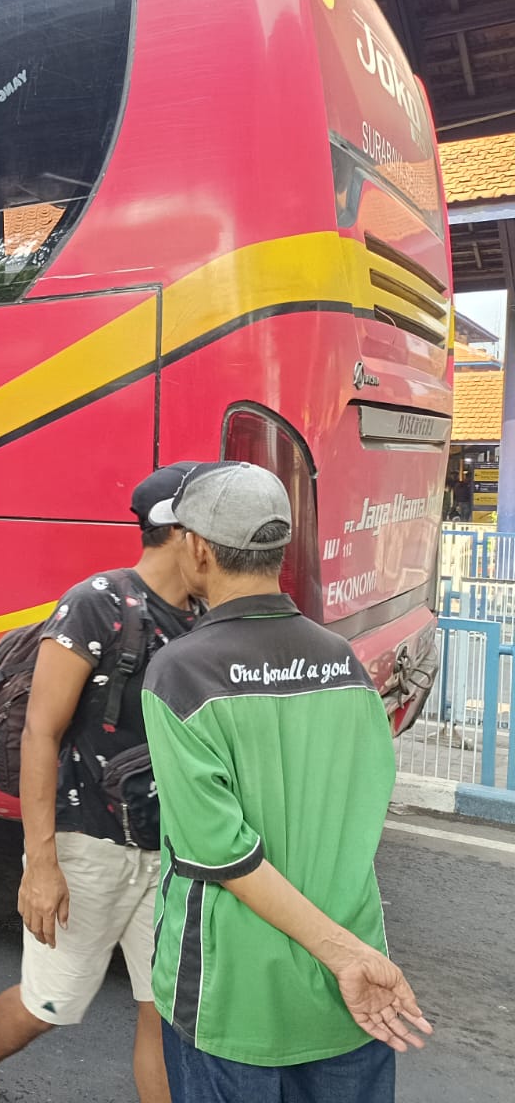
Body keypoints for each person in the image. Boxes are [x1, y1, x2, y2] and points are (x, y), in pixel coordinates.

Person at [142, 462, 431, 1100]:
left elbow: (219, 852)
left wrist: (343, 956)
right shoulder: (347, 663)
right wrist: (351, 956)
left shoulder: (181, 674)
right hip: (351, 998)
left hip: (232, 1000)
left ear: (196, 547)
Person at [0, 464, 201, 1103]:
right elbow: (40, 733)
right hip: (89, 844)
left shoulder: (202, 615)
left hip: (168, 847)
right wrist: (42, 865)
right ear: (184, 533)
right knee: (49, 1003)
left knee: (160, 1008)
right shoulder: (96, 604)